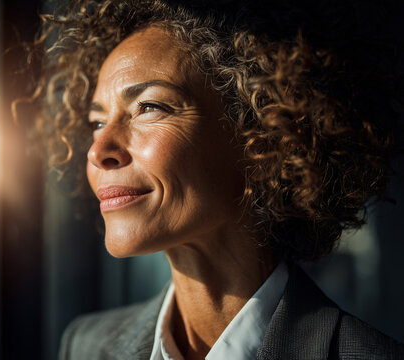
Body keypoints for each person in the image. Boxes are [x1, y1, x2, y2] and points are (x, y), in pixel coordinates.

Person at [21, 0, 404, 358]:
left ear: (265, 131)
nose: (97, 149)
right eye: (97, 122)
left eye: (149, 107)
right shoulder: (84, 346)